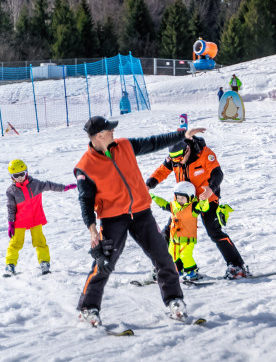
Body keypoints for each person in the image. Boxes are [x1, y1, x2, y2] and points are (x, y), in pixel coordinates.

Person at [74, 116, 206, 326]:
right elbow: (85, 201)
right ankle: (88, 307)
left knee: (163, 256)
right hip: (112, 218)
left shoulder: (124, 145)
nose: (113, 132)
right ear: (99, 136)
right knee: (104, 264)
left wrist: (183, 135)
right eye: (109, 130)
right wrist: (92, 231)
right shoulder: (85, 167)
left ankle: (174, 300)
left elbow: (153, 142)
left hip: (141, 212)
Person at [147, 136, 249, 279]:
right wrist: (148, 184)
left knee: (214, 231)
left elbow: (218, 173)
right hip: (184, 202)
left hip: (206, 198)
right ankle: (168, 267)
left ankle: (237, 266)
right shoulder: (175, 157)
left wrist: (210, 189)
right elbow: (161, 171)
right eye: (174, 160)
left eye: (179, 159)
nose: (177, 163)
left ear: (187, 150)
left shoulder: (205, 154)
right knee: (170, 233)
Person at [4, 159, 75, 276]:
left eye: (22, 174)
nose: (20, 177)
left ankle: (44, 262)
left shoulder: (35, 184)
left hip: (35, 219)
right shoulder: (11, 191)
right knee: (15, 243)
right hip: (19, 222)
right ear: (11, 177)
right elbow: (11, 208)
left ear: (26, 172)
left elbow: (50, 185)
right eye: (16, 175)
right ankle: (10, 265)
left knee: (40, 241)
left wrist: (64, 188)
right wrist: (11, 223)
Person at [150, 181, 211, 281]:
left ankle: (192, 272)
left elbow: (204, 207)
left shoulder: (193, 208)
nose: (180, 200)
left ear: (190, 197)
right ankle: (177, 271)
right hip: (174, 238)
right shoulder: (174, 206)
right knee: (172, 255)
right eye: (178, 197)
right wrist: (153, 197)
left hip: (187, 238)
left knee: (185, 254)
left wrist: (204, 200)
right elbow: (164, 204)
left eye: (182, 198)